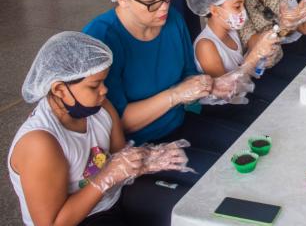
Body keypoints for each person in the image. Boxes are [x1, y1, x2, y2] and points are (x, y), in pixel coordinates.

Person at [83, 0, 246, 188]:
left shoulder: (173, 20)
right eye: (152, 2)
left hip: (178, 124)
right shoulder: (102, 39)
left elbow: (188, 74)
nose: (164, 8)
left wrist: (208, 86)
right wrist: (175, 95)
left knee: (246, 146)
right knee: (221, 181)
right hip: (135, 150)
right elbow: (116, 123)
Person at [9, 31, 195, 226]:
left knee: (189, 205)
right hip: (81, 218)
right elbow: (52, 223)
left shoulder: (101, 107)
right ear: (59, 89)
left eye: (104, 81)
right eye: (94, 85)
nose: (104, 90)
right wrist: (105, 176)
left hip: (112, 197)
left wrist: (149, 159)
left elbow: (118, 154)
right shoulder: (41, 143)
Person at [185, 0, 282, 119]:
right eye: (237, 6)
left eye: (243, 5)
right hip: (222, 110)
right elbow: (227, 91)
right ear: (215, 10)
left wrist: (262, 57)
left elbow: (245, 68)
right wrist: (255, 55)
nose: (243, 11)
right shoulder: (206, 45)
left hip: (243, 95)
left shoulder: (232, 32)